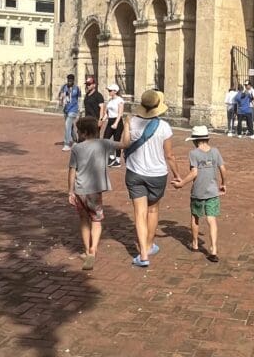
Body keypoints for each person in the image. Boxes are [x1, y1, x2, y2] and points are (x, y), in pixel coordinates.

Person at [124, 88, 180, 267]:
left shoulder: (131, 121)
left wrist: (126, 125)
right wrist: (178, 174)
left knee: (139, 213)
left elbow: (124, 144)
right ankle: (148, 246)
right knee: (153, 210)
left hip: (135, 172)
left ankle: (143, 255)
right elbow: (169, 155)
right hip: (157, 174)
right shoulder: (164, 127)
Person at [67, 115, 129, 269]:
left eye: (79, 132)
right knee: (96, 219)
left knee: (83, 220)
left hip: (80, 189)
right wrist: (127, 126)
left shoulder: (76, 148)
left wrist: (70, 191)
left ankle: (87, 250)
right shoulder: (104, 144)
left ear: (84, 132)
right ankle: (93, 248)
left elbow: (72, 171)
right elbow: (125, 144)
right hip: (95, 189)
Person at [172, 125, 227, 262]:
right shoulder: (215, 151)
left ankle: (195, 243)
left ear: (195, 140)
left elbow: (194, 172)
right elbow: (223, 168)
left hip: (198, 191)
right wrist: (223, 183)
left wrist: (182, 183)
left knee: (195, 216)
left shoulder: (193, 153)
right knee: (211, 219)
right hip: (212, 191)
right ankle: (214, 248)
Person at [58, 73, 81, 151]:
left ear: (73, 81)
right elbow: (60, 95)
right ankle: (75, 140)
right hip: (66, 109)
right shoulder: (64, 87)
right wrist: (61, 99)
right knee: (70, 127)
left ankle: (67, 144)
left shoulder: (76, 88)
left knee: (67, 125)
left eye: (71, 80)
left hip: (73, 109)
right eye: (68, 80)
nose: (69, 82)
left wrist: (79, 110)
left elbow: (79, 99)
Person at [103, 83, 125, 166]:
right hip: (110, 121)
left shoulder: (120, 100)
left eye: (110, 90)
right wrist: (102, 120)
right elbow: (107, 113)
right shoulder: (110, 101)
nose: (109, 92)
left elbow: (120, 113)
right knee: (105, 139)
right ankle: (111, 157)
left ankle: (118, 160)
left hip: (118, 122)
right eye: (109, 90)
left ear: (115, 91)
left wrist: (116, 123)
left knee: (116, 141)